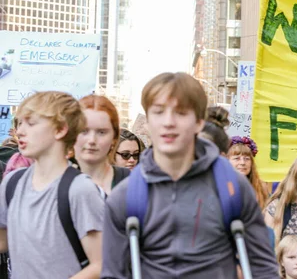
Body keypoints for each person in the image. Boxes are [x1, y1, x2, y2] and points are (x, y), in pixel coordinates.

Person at [101, 72, 279, 278]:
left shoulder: (232, 188)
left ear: (199, 123)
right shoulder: (124, 197)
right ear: (147, 123)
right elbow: (113, 274)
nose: (168, 122)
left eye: (180, 113)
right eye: (158, 112)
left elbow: (263, 269)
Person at [0, 91, 104, 278]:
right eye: (20, 123)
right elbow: (4, 241)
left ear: (60, 130)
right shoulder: (12, 183)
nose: (20, 131)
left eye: (31, 123)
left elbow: (101, 263)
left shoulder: (80, 189)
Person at [74, 95, 130, 195]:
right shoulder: (56, 183)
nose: (92, 140)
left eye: (101, 132)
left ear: (114, 137)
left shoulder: (131, 182)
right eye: (84, 131)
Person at [228, 135, 269, 210]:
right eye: (237, 158)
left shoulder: (261, 187)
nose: (243, 162)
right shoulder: (218, 185)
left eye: (247, 159)